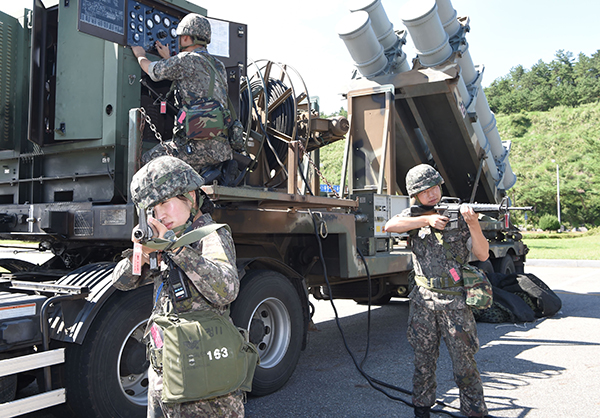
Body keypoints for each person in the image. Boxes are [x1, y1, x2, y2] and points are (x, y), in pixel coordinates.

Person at [112, 156, 243, 418]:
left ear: (191, 198)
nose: (159, 214)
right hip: (166, 375)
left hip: (205, 383)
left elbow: (227, 289)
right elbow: (122, 282)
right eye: (152, 208)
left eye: (164, 203)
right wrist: (142, 253)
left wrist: (178, 249)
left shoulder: (210, 235)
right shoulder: (165, 243)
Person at [384, 164, 489, 418]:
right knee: (423, 363)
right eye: (424, 191)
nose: (431, 194)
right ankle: (422, 410)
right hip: (423, 302)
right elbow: (389, 226)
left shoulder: (458, 215)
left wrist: (473, 224)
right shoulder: (413, 215)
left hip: (455, 303)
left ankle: (474, 412)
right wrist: (426, 219)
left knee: (465, 365)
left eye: (435, 188)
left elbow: (482, 253)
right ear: (415, 195)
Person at [131, 13, 232, 172]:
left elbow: (152, 70)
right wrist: (170, 58)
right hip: (221, 150)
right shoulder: (218, 66)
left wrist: (140, 55)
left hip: (195, 148)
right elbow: (193, 80)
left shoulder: (185, 60)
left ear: (185, 38)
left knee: (147, 162)